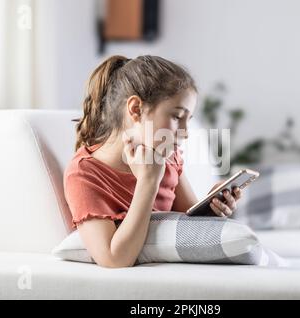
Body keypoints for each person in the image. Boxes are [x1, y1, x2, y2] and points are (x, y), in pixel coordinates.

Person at [64, 55, 242, 268]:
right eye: (177, 117)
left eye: (188, 120)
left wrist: (212, 209)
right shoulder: (85, 174)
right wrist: (148, 182)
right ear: (136, 109)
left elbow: (186, 221)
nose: (185, 133)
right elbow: (114, 259)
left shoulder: (166, 157)